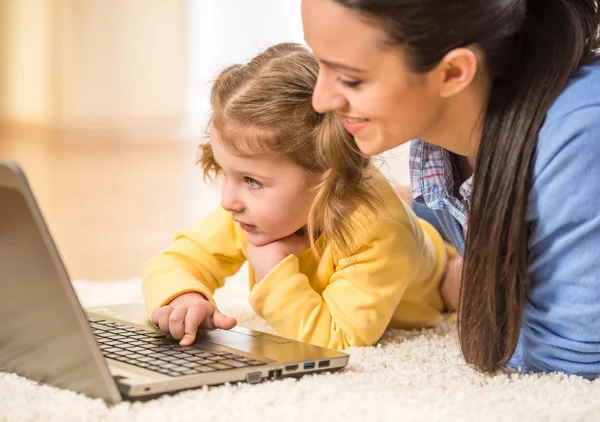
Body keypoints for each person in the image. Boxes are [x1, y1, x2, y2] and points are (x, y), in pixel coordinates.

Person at [301, 0, 600, 377]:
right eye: (320, 63)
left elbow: (572, 360)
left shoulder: (581, 133)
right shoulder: (445, 133)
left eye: (351, 78)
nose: (320, 99)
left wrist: (464, 284)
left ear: (453, 72)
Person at [142, 43, 458, 351]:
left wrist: (273, 272)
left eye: (251, 180)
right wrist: (182, 297)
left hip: (436, 272)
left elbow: (340, 341)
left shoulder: (378, 233)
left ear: (325, 178)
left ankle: (427, 216)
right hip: (389, 218)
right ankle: (409, 200)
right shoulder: (248, 211)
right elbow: (177, 260)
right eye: (228, 173)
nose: (228, 201)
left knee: (473, 290)